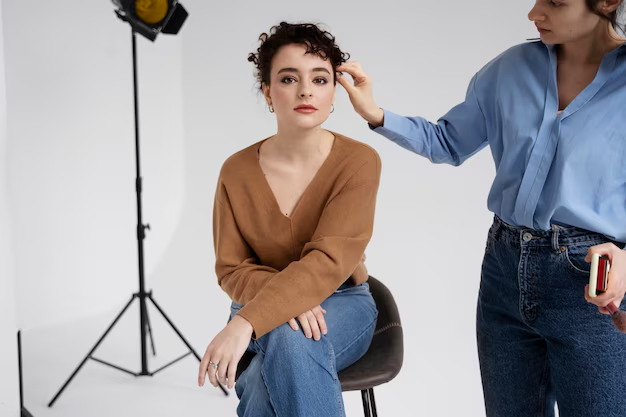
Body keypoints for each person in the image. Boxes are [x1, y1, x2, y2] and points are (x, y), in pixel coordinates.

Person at [336, 1, 626, 416]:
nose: (534, 13)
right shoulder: (510, 69)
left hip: (594, 285)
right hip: (504, 273)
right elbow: (448, 142)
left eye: (555, 2)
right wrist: (375, 113)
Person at [197, 22, 381, 417]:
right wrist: (280, 301)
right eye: (288, 78)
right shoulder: (236, 170)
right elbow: (231, 267)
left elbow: (330, 260)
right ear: (267, 91)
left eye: (319, 78)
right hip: (255, 298)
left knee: (278, 345)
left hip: (342, 303)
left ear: (334, 90)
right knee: (284, 342)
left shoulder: (359, 162)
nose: (305, 90)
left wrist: (246, 324)